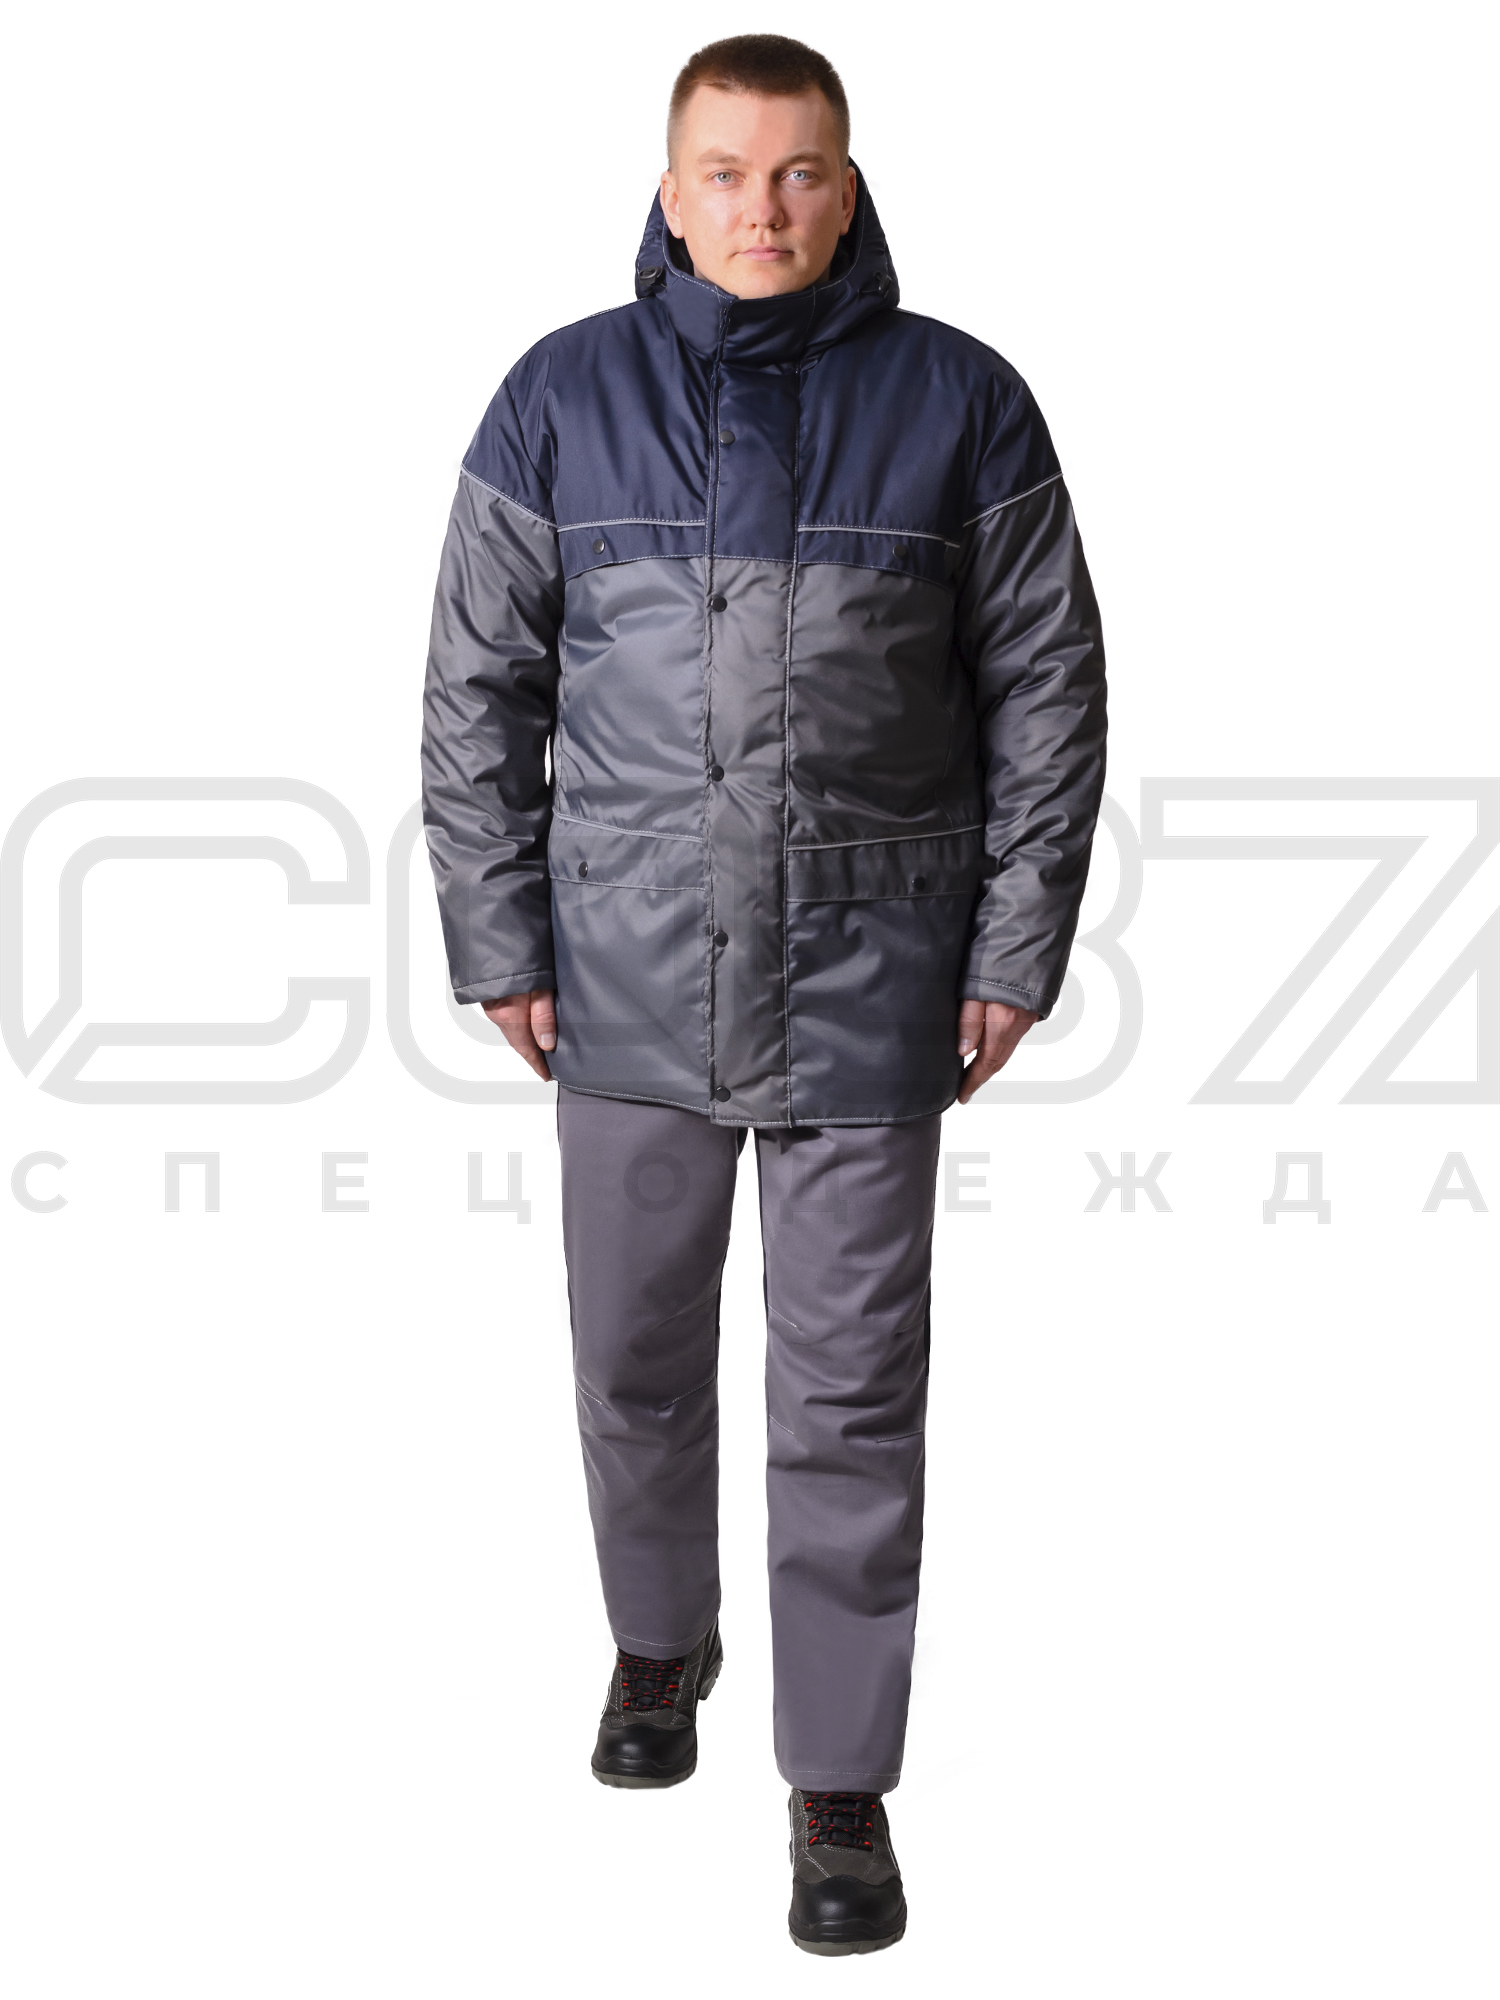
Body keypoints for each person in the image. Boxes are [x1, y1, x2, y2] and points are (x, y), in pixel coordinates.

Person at [420, 33, 1106, 1955]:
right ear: (669, 187)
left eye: (799, 171)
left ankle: (840, 1781)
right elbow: (476, 689)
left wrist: (1014, 949)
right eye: (724, 172)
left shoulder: (964, 403)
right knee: (633, 1361)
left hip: (875, 980)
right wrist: (500, 939)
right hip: (622, 977)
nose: (762, 208)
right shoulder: (559, 398)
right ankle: (660, 1644)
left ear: (850, 183)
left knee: (851, 1396)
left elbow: (1049, 692)